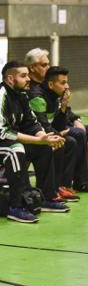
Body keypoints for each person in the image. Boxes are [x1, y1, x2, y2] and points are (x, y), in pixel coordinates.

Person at [0, 61, 69, 223]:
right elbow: (3, 132)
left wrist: (44, 138)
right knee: (14, 150)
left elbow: (31, 123)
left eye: (28, 75)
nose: (28, 79)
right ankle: (16, 206)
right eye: (23, 76)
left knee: (43, 148)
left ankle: (47, 197)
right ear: (10, 79)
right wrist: (38, 139)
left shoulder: (22, 95)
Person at [28, 66, 88, 194]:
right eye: (63, 83)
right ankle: (63, 186)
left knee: (75, 137)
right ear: (50, 84)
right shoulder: (37, 97)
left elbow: (58, 124)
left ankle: (70, 184)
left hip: (49, 130)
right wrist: (58, 134)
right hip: (35, 135)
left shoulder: (56, 95)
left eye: (67, 82)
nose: (67, 86)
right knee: (70, 140)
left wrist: (64, 106)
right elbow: (42, 125)